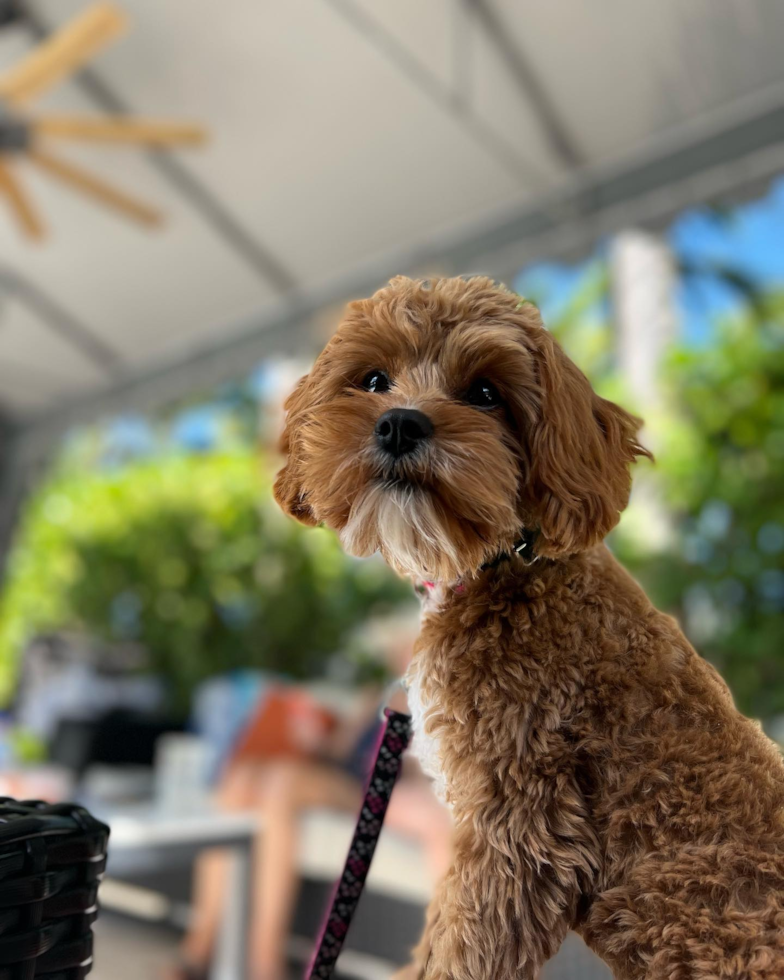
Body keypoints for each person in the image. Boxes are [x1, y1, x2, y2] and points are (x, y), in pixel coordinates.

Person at [169, 628, 451, 980]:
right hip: (342, 772)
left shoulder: (444, 696)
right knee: (239, 779)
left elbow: (422, 768)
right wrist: (318, 737)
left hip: (372, 785)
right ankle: (198, 951)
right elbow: (344, 750)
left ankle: (263, 969)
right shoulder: (379, 693)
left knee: (282, 784)